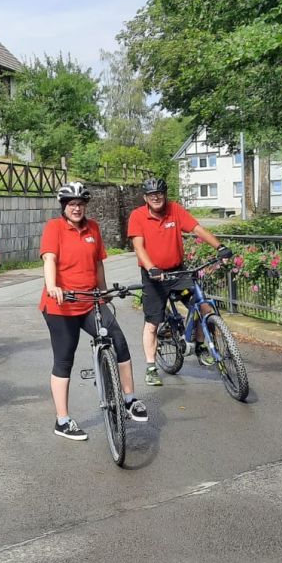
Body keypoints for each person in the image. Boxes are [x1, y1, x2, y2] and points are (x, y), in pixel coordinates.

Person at [40, 182, 148, 441]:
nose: (76, 208)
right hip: (61, 304)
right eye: (71, 204)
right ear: (64, 207)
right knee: (64, 359)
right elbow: (49, 259)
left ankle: (129, 399)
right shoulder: (54, 228)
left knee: (119, 341)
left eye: (80, 204)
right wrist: (53, 286)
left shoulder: (94, 228)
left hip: (91, 300)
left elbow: (97, 262)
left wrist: (104, 292)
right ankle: (63, 420)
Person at [127, 177, 232, 386]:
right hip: (154, 276)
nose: (156, 197)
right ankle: (151, 368)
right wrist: (151, 268)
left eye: (159, 193)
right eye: (151, 195)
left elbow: (197, 229)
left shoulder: (174, 209)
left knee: (203, 307)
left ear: (165, 194)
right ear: (145, 198)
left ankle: (201, 346)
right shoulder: (137, 216)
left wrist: (219, 247)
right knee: (152, 323)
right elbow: (138, 246)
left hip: (178, 272)